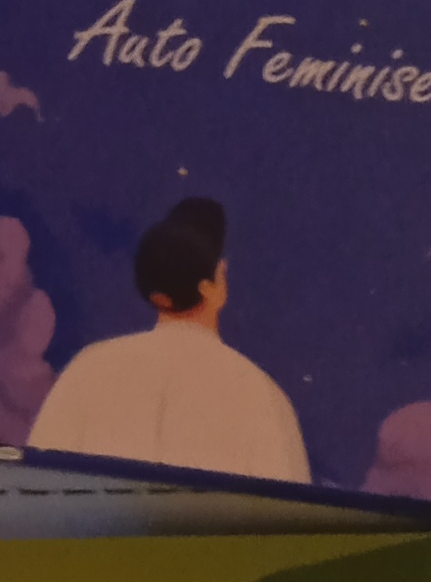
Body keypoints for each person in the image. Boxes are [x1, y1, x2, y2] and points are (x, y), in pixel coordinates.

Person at [25, 196, 310, 485]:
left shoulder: (88, 370)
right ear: (213, 284)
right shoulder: (258, 394)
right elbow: (289, 505)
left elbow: (35, 486)